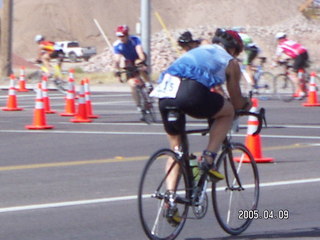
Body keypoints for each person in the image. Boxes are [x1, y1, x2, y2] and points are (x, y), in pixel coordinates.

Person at [150, 28, 252, 224]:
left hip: (165, 94)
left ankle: (170, 199)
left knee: (177, 148)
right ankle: (208, 158)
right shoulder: (230, 61)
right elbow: (237, 102)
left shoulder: (197, 51)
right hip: (190, 93)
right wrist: (248, 105)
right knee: (228, 111)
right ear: (234, 49)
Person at [113, 25, 153, 115]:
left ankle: (148, 84)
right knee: (132, 85)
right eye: (119, 36)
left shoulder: (134, 39)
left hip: (138, 57)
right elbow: (117, 59)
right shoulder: (117, 45)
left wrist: (141, 61)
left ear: (127, 35)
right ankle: (139, 105)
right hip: (128, 61)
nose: (121, 38)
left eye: (122, 36)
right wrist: (117, 70)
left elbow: (140, 52)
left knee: (139, 64)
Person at [273, 32, 309, 98]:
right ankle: (305, 85)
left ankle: (301, 92)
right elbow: (292, 52)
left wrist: (274, 64)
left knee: (294, 73)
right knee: (300, 69)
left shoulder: (281, 45)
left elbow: (277, 56)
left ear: (278, 39)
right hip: (305, 52)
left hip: (299, 55)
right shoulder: (290, 41)